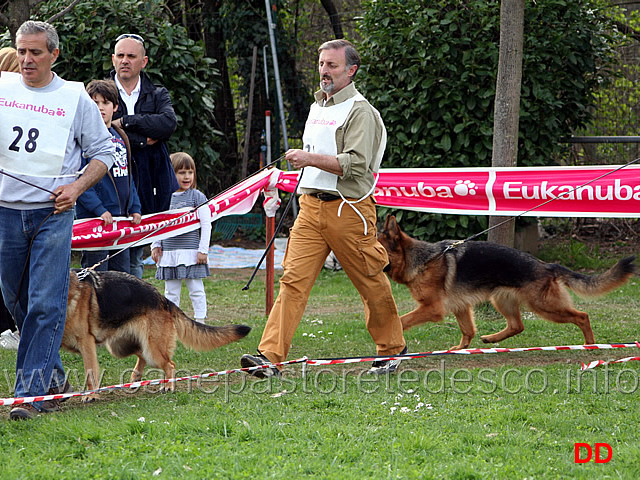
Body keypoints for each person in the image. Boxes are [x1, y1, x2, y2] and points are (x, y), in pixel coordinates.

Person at [241, 39, 406, 377]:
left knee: (370, 281)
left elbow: (357, 165)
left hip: (349, 211)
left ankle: (392, 349)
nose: (324, 71)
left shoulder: (361, 111)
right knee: (293, 282)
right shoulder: (319, 106)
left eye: (332, 65)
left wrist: (307, 157)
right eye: (321, 65)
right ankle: (269, 357)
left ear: (351, 70)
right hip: (310, 208)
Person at [0, 21, 115, 420]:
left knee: (46, 303)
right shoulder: (2, 88)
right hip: (5, 213)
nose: (26, 60)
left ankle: (29, 396)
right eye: (21, 51)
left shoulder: (74, 98)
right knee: (15, 300)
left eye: (35, 53)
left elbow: (104, 152)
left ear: (54, 54)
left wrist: (77, 188)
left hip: (52, 214)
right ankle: (52, 374)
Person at [109, 33, 178, 278]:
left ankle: (133, 309)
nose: (125, 61)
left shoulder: (157, 93)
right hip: (112, 180)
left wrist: (125, 121)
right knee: (109, 251)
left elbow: (167, 125)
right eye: (120, 55)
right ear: (113, 59)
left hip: (150, 179)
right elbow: (98, 130)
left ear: (144, 61)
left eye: (131, 56)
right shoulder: (101, 92)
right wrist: (141, 139)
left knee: (136, 250)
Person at [76, 79, 143, 273]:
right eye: (95, 103)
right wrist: (99, 209)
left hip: (121, 219)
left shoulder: (121, 136)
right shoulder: (82, 138)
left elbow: (127, 175)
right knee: (96, 275)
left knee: (121, 275)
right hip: (96, 220)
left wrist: (135, 207)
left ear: (115, 106)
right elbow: (79, 181)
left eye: (105, 103)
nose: (100, 108)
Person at [151, 152, 211, 323]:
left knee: (196, 289)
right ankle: (171, 321)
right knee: (171, 291)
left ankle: (200, 321)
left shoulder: (196, 197)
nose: (187, 177)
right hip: (169, 253)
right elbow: (157, 223)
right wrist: (155, 245)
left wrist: (203, 250)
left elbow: (207, 224)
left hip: (191, 252)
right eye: (181, 172)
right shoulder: (163, 198)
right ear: (171, 174)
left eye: (190, 172)